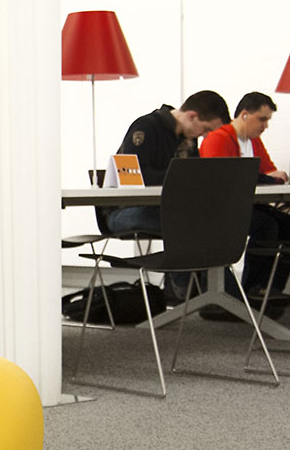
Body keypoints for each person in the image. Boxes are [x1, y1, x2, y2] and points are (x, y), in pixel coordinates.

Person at [199, 92, 290, 300]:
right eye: (262, 119)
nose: (265, 126)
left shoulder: (253, 141)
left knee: (286, 224)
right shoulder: (218, 138)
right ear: (245, 115)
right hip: (220, 208)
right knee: (266, 225)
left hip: (247, 204)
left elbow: (271, 174)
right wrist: (264, 177)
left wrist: (264, 178)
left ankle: (270, 288)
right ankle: (252, 288)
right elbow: (223, 177)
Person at [103, 90, 230, 237]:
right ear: (192, 116)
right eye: (206, 129)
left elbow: (193, 176)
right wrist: (182, 178)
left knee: (214, 217)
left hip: (166, 208)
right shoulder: (145, 127)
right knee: (193, 220)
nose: (205, 135)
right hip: (126, 210)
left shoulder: (189, 136)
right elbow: (133, 178)